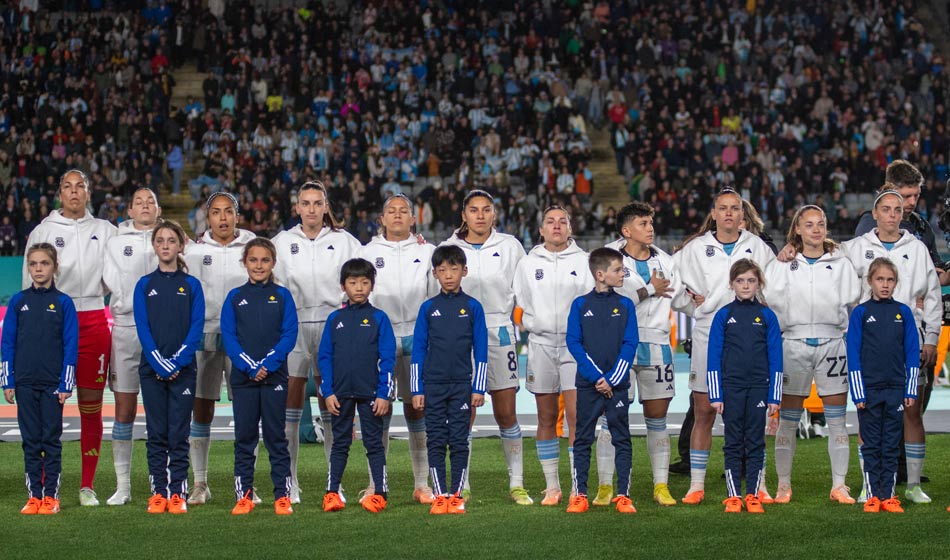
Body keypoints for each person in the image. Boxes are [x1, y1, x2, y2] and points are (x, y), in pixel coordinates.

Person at [672, 189, 774, 504]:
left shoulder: (757, 247)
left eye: (734, 208)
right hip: (707, 333)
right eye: (722, 208)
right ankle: (697, 484)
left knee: (753, 414)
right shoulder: (696, 248)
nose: (728, 214)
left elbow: (777, 286)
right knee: (703, 410)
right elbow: (671, 280)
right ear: (713, 213)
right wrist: (689, 304)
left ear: (742, 214)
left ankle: (759, 485)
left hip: (751, 336)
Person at [23, 169, 116, 506]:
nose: (74, 192)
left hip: (93, 320)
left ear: (88, 193)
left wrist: (95, 296)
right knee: (51, 407)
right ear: (59, 193)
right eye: (68, 187)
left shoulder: (105, 230)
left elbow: (115, 277)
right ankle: (46, 485)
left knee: (91, 408)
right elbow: (27, 287)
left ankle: (87, 485)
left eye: (80, 187)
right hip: (53, 319)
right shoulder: (43, 231)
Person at [841, 188, 940, 504]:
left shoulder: (918, 248)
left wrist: (932, 338)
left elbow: (933, 294)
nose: (893, 215)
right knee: (868, 415)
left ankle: (912, 484)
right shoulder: (855, 248)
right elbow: (823, 257)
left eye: (898, 210)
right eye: (886, 209)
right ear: (875, 213)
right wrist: (789, 248)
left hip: (907, 342)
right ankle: (868, 485)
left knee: (912, 414)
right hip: (871, 345)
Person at [764, 205, 861, 504]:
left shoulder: (841, 263)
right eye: (809, 225)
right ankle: (783, 485)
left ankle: (839, 485)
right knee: (788, 420)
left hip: (833, 342)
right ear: (797, 230)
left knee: (836, 419)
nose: (816, 230)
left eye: (821, 224)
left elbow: (853, 303)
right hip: (792, 343)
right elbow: (770, 303)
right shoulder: (781, 265)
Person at [598, 201, 692, 507]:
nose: (650, 228)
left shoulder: (666, 261)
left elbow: (680, 300)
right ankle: (604, 486)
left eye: (651, 222)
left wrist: (697, 300)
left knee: (657, 418)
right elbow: (609, 299)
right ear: (626, 230)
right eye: (642, 223)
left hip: (656, 345)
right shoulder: (608, 257)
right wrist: (650, 289)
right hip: (617, 346)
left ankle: (661, 485)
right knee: (611, 418)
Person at [272, 181, 361, 504]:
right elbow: (271, 280)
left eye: (317, 203)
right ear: (297, 208)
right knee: (290, 402)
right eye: (305, 203)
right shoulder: (282, 242)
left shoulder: (345, 241)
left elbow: (361, 278)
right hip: (292, 325)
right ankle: (290, 481)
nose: (311, 209)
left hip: (331, 323)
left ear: (326, 207)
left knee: (331, 403)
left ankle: (333, 482)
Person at [441, 190, 527, 503]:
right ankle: (461, 482)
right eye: (474, 210)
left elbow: (524, 289)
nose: (480, 215)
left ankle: (516, 483)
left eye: (486, 210)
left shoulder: (510, 246)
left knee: (506, 412)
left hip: (499, 333)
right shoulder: (447, 248)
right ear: (463, 214)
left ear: (494, 214)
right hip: (459, 337)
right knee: (464, 414)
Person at [512, 205, 593, 506]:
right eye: (550, 221)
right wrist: (534, 325)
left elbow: (589, 302)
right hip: (541, 345)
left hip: (575, 347)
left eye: (562, 221)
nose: (556, 226)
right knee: (546, 417)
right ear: (541, 229)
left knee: (576, 417)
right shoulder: (528, 263)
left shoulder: (584, 261)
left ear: (570, 228)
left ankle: (576, 486)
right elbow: (520, 304)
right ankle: (551, 487)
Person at [360, 194, 437, 504]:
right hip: (382, 339)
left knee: (417, 407)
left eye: (403, 211)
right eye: (390, 211)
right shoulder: (366, 252)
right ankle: (375, 482)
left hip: (417, 340)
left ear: (412, 218)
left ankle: (422, 484)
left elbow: (434, 299)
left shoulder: (428, 252)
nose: (396, 215)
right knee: (380, 408)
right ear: (382, 218)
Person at [183, 191, 257, 506]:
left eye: (228, 211)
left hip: (244, 338)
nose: (223, 217)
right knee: (202, 409)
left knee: (247, 411)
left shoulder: (254, 246)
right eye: (216, 212)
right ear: (207, 217)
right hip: (206, 335)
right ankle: (200, 483)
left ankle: (248, 485)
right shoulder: (194, 252)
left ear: (237, 215)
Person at [220, 238, 298, 516]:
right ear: (245, 263)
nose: (259, 265)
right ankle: (244, 496)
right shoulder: (234, 297)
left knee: (277, 438)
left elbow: (289, 335)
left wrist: (267, 364)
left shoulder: (283, 296)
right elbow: (229, 337)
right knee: (245, 438)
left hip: (274, 378)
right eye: (253, 260)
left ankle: (282, 496)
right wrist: (251, 367)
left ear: (273, 263)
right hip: (244, 379)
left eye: (265, 260)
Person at [132, 220, 204, 514]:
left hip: (183, 370)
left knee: (178, 433)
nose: (165, 245)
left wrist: (176, 362)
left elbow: (196, 328)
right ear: (154, 246)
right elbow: (143, 328)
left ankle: (178, 493)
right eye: (160, 240)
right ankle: (158, 492)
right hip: (152, 370)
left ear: (180, 245)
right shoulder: (144, 285)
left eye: (170, 240)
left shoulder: (191, 285)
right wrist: (161, 364)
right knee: (156, 433)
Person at [410, 245, 488, 515]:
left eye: (454, 269)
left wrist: (478, 387)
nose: (449, 275)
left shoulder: (473, 307)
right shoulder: (428, 308)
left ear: (464, 271)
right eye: (442, 270)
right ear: (435, 274)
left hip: (462, 386)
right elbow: (418, 350)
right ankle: (440, 494)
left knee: (458, 440)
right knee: (435, 439)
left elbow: (481, 350)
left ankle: (456, 494)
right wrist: (416, 389)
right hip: (433, 385)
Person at [3, 243, 78, 515]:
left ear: (54, 267)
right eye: (33, 264)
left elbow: (71, 345)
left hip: (52, 385)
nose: (38, 269)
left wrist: (65, 383)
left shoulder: (63, 302)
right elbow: (7, 342)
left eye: (44, 263)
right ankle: (34, 496)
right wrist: (8, 381)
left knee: (50, 440)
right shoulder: (18, 301)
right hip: (23, 383)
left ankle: (51, 497)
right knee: (30, 441)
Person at [319, 258, 396, 514]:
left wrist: (384, 394)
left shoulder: (379, 318)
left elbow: (387, 358)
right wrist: (327, 391)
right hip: (340, 394)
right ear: (343, 285)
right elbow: (325, 357)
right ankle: (332, 493)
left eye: (364, 282)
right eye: (353, 282)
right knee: (340, 443)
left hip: (371, 394)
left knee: (374, 443)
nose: (359, 287)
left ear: (372, 285)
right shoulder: (334, 319)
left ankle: (380, 493)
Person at [563, 248, 638, 514]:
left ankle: (623, 495)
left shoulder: (626, 304)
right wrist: (597, 378)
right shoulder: (580, 304)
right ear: (600, 274)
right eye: (618, 270)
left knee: (622, 438)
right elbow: (573, 342)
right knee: (582, 438)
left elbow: (631, 343)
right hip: (589, 385)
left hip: (616, 386)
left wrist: (613, 379)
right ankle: (580, 494)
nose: (622, 274)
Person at [102, 187, 162, 506]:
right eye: (139, 201)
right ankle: (122, 486)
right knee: (124, 409)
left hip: (161, 331)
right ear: (129, 210)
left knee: (158, 410)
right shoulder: (114, 242)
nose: (145, 205)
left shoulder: (171, 237)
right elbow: (104, 281)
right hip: (125, 329)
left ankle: (159, 482)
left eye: (150, 201)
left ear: (158, 208)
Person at [707, 259, 783, 513]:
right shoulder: (723, 315)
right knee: (732, 441)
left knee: (755, 441)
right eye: (740, 281)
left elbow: (776, 358)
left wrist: (775, 395)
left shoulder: (767, 316)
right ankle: (733, 495)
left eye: (751, 280)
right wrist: (716, 394)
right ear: (732, 284)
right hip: (731, 388)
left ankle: (752, 494)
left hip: (759, 388)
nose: (746, 285)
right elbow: (713, 357)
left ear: (759, 283)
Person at [846, 257, 919, 514]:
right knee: (871, 444)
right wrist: (858, 392)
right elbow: (852, 353)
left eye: (890, 280)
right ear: (870, 282)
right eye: (880, 279)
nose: (885, 284)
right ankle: (872, 496)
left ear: (895, 283)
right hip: (869, 389)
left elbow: (912, 352)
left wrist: (910, 389)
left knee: (891, 444)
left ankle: (888, 496)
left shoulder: (904, 312)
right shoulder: (861, 313)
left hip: (896, 389)